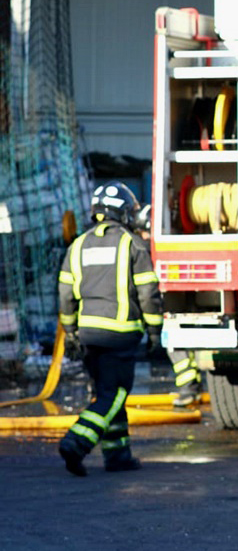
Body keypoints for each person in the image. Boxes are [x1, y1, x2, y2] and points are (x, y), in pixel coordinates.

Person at [57, 182, 164, 476]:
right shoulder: (133, 244)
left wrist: (71, 334)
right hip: (120, 334)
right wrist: (155, 333)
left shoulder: (77, 245)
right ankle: (75, 442)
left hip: (89, 335)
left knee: (106, 393)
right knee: (113, 394)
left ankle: (117, 456)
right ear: (123, 212)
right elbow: (148, 294)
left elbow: (66, 294)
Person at [132, 202, 202, 407]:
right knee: (180, 344)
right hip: (175, 301)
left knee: (174, 344)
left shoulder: (142, 249)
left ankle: (190, 387)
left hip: (164, 304)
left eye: (143, 232)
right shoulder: (169, 245)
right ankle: (191, 385)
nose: (142, 237)